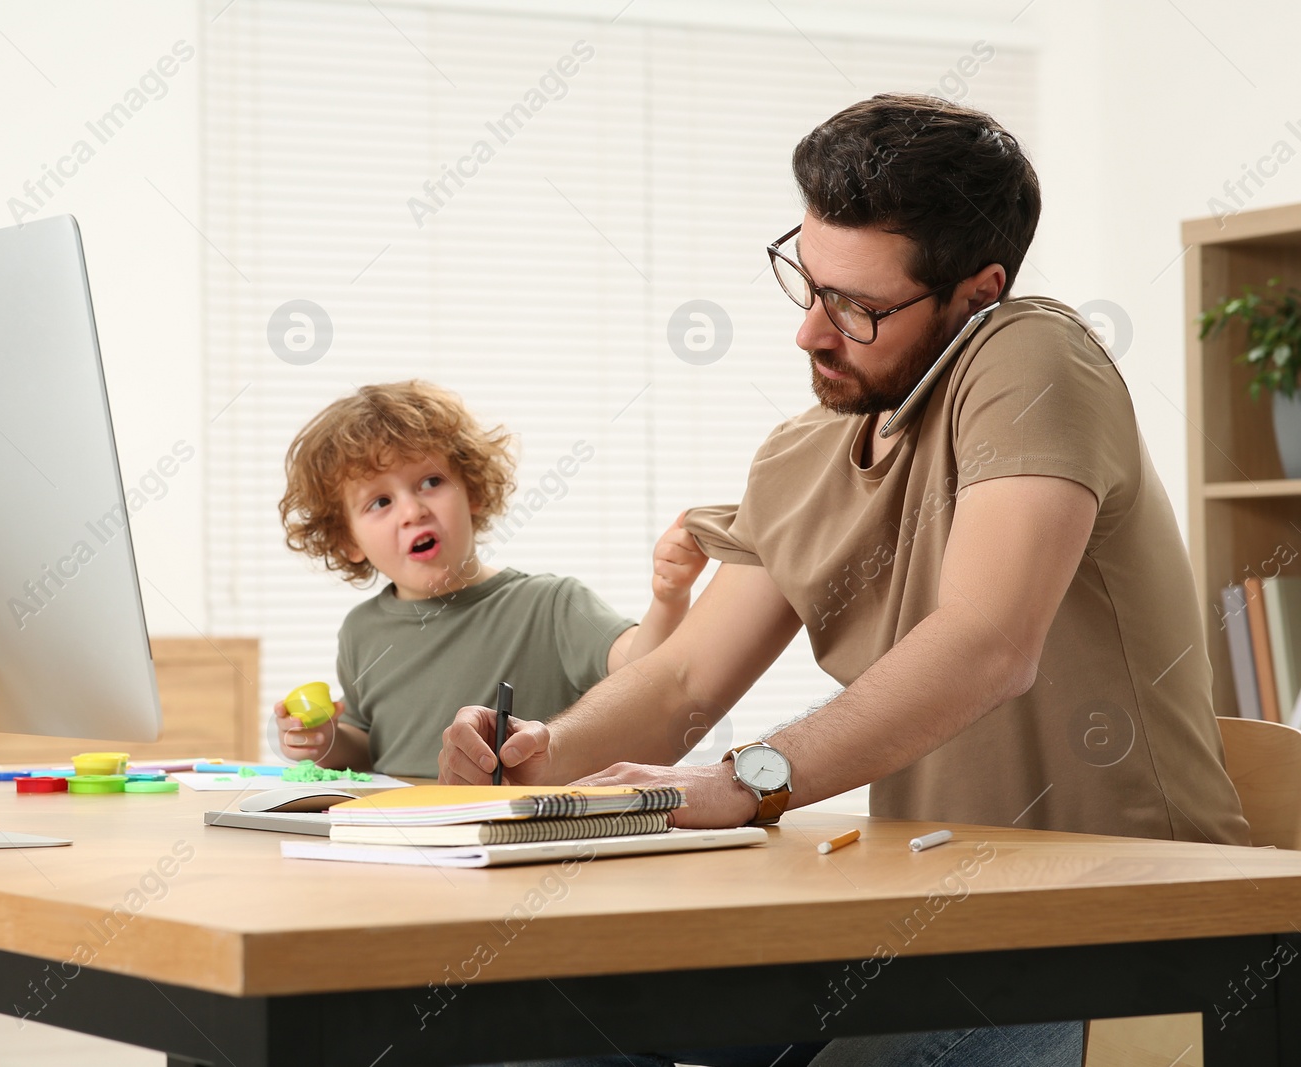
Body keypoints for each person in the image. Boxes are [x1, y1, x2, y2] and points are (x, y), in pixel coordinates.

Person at [441, 94, 1249, 1067]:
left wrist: (749, 781)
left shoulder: (1032, 356)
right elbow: (687, 680)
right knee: (542, 1036)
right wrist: (542, 757)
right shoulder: (805, 451)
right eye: (808, 284)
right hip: (916, 910)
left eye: (859, 308)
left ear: (974, 292)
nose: (811, 335)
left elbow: (987, 643)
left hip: (1109, 916)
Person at [274, 379, 707, 778]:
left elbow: (645, 671)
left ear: (474, 492)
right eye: (380, 501)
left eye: (430, 481)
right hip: (401, 835)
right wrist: (328, 741)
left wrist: (669, 597)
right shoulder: (361, 631)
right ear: (347, 539)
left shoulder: (551, 605)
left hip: (510, 834)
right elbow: (370, 743)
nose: (412, 511)